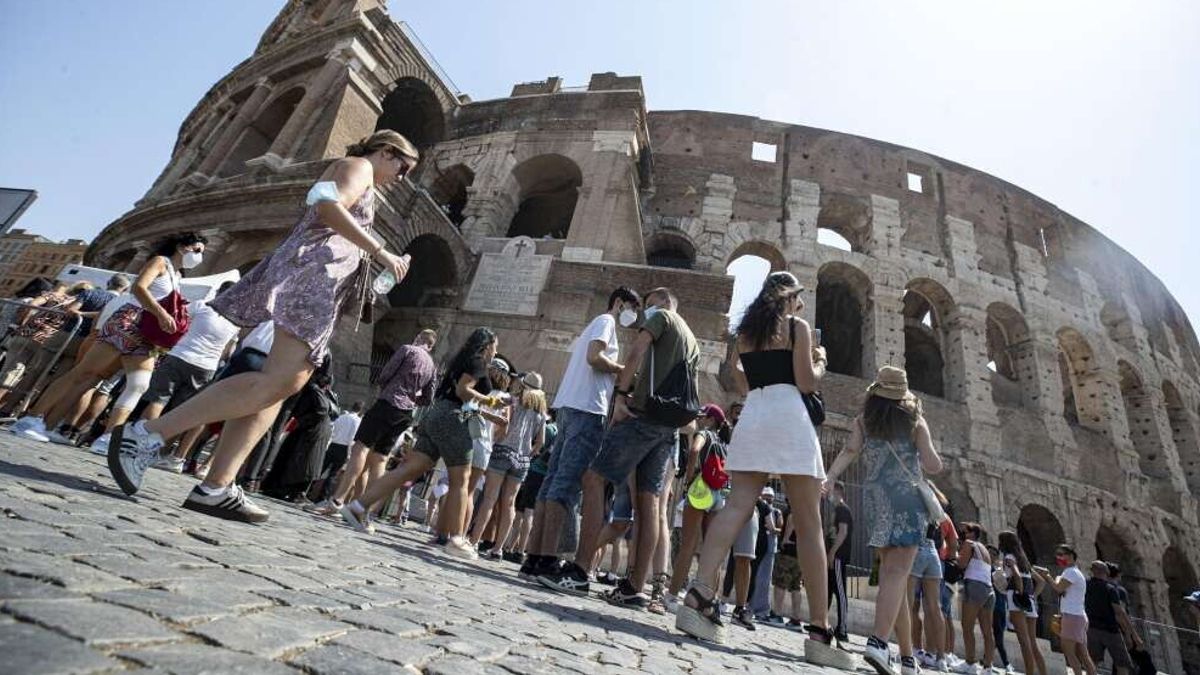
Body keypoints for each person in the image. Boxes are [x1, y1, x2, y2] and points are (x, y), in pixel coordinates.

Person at [105, 130, 419, 522]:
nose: (403, 177)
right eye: (403, 167)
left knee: (275, 388)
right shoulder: (358, 166)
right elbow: (327, 204)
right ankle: (146, 436)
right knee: (283, 381)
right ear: (387, 151)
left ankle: (216, 485)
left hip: (319, 280)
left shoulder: (362, 174)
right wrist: (379, 249)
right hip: (312, 279)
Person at [677, 271, 847, 668]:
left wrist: (760, 381)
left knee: (736, 506)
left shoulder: (746, 333)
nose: (800, 308)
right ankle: (820, 630)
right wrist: (820, 362)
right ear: (791, 299)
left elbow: (739, 377)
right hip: (789, 414)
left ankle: (699, 593)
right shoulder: (796, 327)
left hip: (755, 412)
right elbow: (806, 382)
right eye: (799, 301)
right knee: (808, 524)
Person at [540, 287, 698, 611]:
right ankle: (633, 588)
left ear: (662, 304)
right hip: (668, 426)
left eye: (648, 306)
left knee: (593, 478)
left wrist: (622, 395)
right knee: (649, 502)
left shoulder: (661, 318)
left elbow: (637, 352)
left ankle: (580, 571)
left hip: (642, 416)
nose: (644, 314)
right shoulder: (690, 337)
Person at [339, 327, 501, 560]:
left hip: (435, 416)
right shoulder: (478, 362)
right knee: (461, 480)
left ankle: (357, 507)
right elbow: (463, 390)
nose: (497, 351)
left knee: (408, 469)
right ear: (487, 346)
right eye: (496, 346)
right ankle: (456, 538)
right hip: (453, 418)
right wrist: (490, 400)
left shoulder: (461, 359)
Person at [823, 365, 944, 675]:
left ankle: (906, 659)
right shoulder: (916, 421)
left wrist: (832, 475)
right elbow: (933, 466)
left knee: (895, 578)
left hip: (875, 499)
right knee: (896, 574)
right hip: (906, 500)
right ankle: (878, 643)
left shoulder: (864, 421)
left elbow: (850, 451)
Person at [518, 287, 640, 580]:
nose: (632, 316)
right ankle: (548, 560)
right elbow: (594, 357)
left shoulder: (595, 324)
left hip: (570, 407)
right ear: (620, 302)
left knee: (551, 483)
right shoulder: (606, 322)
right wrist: (624, 371)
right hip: (587, 410)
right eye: (632, 308)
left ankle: (533, 558)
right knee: (567, 485)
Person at [310, 329, 436, 514]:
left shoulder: (407, 349)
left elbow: (385, 374)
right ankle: (366, 509)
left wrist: (388, 388)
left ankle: (338, 500)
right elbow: (428, 397)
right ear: (431, 346)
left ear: (418, 338)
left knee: (360, 448)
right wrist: (412, 397)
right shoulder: (432, 365)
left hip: (388, 403)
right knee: (380, 458)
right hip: (405, 414)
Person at [470, 371, 547, 556]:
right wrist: (528, 454)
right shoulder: (542, 412)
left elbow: (495, 410)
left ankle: (473, 542)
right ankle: (498, 550)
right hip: (522, 460)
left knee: (490, 499)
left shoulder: (513, 399)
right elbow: (541, 442)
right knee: (509, 504)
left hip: (503, 451)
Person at [666, 404, 730, 608]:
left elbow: (694, 450)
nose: (699, 419)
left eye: (703, 416)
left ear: (711, 420)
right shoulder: (723, 442)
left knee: (687, 546)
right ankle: (713, 600)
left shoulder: (705, 433)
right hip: (718, 496)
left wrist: (689, 477)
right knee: (711, 552)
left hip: (700, 489)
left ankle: (672, 596)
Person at [0, 282, 82, 408]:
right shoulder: (79, 305)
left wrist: (24, 322)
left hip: (26, 333)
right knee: (29, 376)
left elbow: (32, 304)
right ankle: (8, 407)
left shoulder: (54, 295)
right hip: (47, 340)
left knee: (10, 371)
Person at [1033, 545, 1096, 675]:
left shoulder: (1071, 572)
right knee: (1083, 654)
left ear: (1071, 556)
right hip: (1078, 616)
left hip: (1072, 616)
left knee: (1069, 652)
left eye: (1062, 555)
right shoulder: (1074, 572)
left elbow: (1058, 588)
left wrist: (1047, 576)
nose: (1059, 558)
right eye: (1058, 555)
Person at [998, 530, 1047, 675]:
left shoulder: (1009, 557)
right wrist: (1031, 596)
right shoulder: (1024, 560)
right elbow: (1041, 582)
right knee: (1033, 643)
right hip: (1029, 601)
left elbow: (1017, 576)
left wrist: (1020, 592)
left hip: (1016, 598)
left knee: (1023, 641)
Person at [1085, 561, 1141, 675]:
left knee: (1092, 662)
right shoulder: (1110, 589)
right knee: (1122, 664)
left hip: (1091, 628)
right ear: (1106, 572)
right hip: (1110, 630)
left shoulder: (1086, 585)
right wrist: (1130, 635)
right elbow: (1119, 613)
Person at [956, 522, 997, 675]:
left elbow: (961, 564)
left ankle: (970, 663)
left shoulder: (969, 543)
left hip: (974, 585)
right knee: (987, 631)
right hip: (988, 589)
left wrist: (955, 554)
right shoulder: (985, 549)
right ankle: (988, 667)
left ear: (972, 533)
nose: (963, 533)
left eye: (965, 531)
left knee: (967, 627)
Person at [315, 401, 363, 499]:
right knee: (333, 474)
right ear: (360, 410)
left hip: (333, 445)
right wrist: (349, 454)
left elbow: (333, 430)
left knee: (320, 470)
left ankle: (306, 491)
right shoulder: (357, 421)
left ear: (352, 406)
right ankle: (322, 497)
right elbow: (352, 438)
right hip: (343, 449)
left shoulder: (341, 417)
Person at [827, 480, 854, 642]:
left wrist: (832, 553)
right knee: (829, 589)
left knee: (840, 592)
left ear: (837, 491)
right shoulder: (837, 510)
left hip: (838, 556)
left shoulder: (843, 510)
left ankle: (842, 628)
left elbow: (842, 533)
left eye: (831, 490)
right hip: (833, 555)